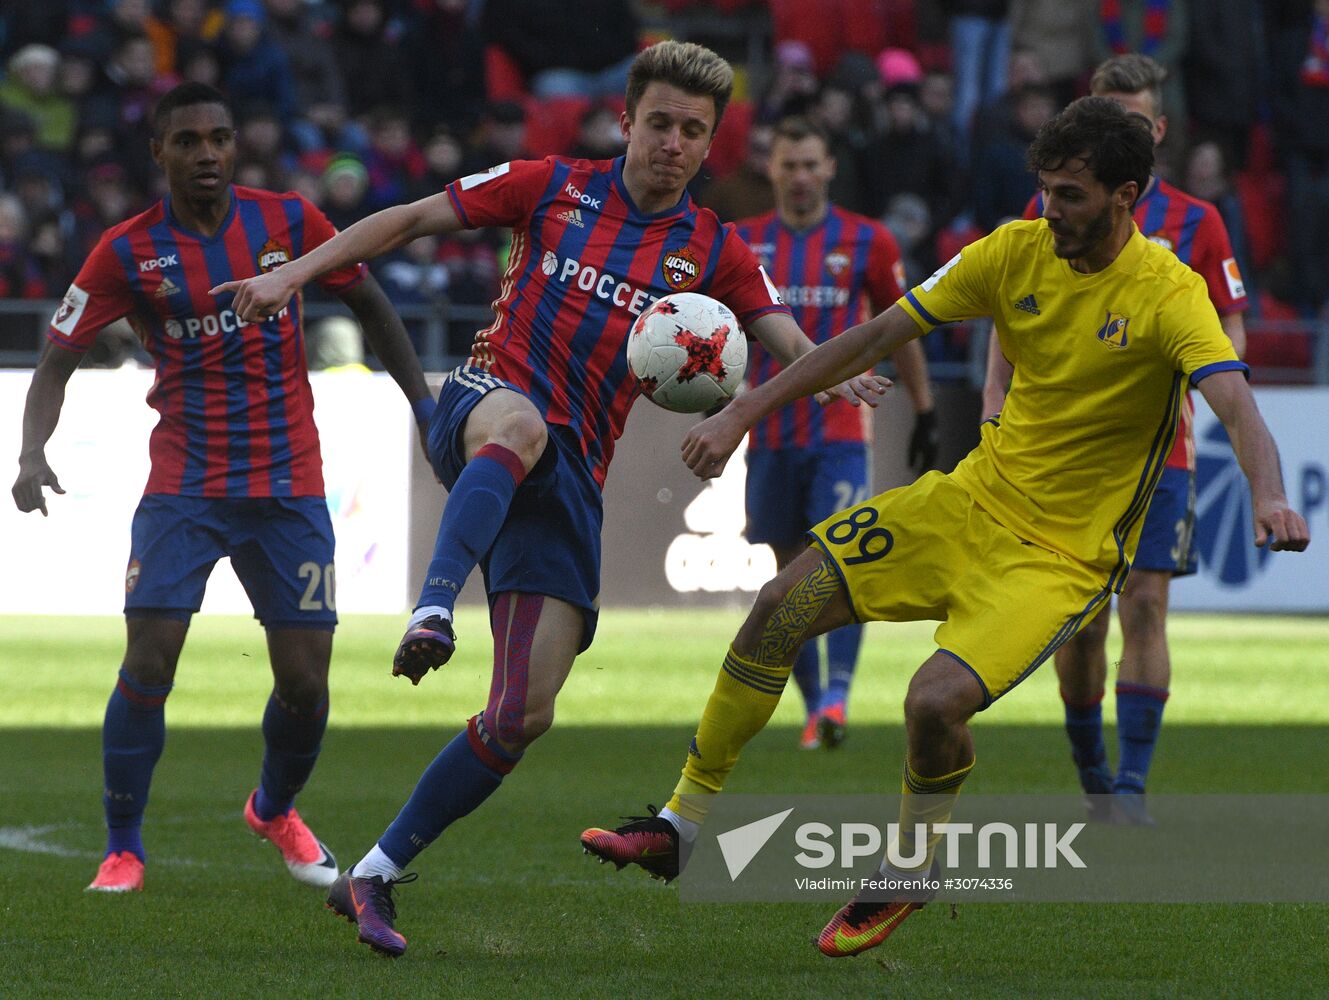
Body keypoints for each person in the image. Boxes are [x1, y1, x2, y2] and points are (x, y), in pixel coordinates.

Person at [580, 96, 1309, 957]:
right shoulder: (1013, 250)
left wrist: (1267, 493)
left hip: (1059, 558)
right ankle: (682, 823)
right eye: (1044, 190)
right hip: (964, 504)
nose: (1050, 211)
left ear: (1127, 194)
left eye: (1070, 196)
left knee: (931, 704)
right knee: (781, 601)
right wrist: (746, 410)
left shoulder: (1167, 294)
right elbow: (877, 333)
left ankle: (911, 866)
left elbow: (1232, 399)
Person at [215, 40, 882, 958]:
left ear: (710, 142)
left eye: (694, 131)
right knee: (521, 428)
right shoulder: (550, 185)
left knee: (522, 713)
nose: (674, 144)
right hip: (486, 405)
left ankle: (370, 875)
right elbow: (408, 219)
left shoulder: (714, 251)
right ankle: (435, 607)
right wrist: (291, 276)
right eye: (660, 124)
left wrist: (835, 375)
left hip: (572, 476)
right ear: (626, 121)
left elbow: (786, 341)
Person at [10, 82, 433, 894]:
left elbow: (374, 307)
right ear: (158, 153)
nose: (207, 153)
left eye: (220, 138)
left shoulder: (289, 224)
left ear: (235, 146)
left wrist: (423, 407)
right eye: (189, 141)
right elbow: (59, 354)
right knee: (150, 659)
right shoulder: (126, 251)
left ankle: (274, 809)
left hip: (290, 484)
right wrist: (32, 452)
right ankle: (123, 847)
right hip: (186, 485)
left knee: (307, 682)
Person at [982, 54, 1249, 824]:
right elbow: (1008, 313)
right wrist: (995, 398)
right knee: (1083, 619)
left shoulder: (1198, 221)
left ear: (1157, 129)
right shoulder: (1056, 212)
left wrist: (1213, 367)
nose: (1118, 128)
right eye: (1105, 112)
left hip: (1161, 453)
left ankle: (1129, 784)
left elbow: (1229, 323)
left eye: (1133, 118)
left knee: (1146, 606)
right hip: (1066, 452)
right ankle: (1088, 762)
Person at [734, 116, 937, 750]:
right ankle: (815, 704)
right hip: (770, 435)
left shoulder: (869, 241)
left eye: (809, 165)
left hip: (841, 430)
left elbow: (900, 329)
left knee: (839, 563)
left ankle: (836, 700)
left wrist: (925, 410)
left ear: (829, 169)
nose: (799, 177)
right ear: (771, 169)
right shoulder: (743, 245)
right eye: (787, 165)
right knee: (784, 576)